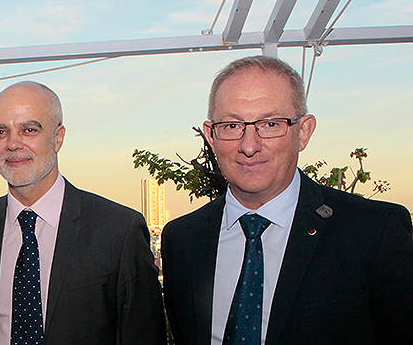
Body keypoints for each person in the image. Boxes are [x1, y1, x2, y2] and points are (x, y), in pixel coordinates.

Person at [161, 55, 413, 344]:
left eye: (270, 124)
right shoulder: (182, 240)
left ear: (303, 132)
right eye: (232, 126)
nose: (249, 145)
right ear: (211, 136)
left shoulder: (372, 232)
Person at [0, 81, 165, 345]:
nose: (12, 143)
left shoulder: (117, 230)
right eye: (0, 131)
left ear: (58, 137)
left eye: (29, 129)